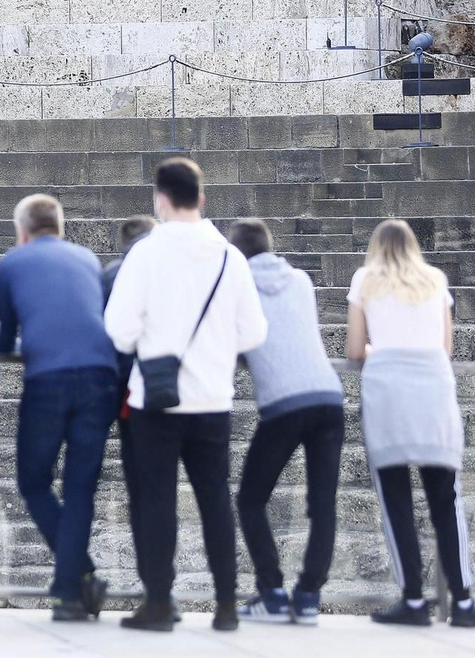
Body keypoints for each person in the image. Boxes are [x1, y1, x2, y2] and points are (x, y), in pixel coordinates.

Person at [104, 158, 266, 633]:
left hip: (155, 399)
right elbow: (253, 333)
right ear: (202, 198)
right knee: (215, 499)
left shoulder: (146, 254)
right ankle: (226, 604)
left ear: (160, 198)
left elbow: (119, 331)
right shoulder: (229, 257)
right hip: (213, 398)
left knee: (156, 500)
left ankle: (158, 602)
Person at [348, 219, 475, 628]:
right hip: (433, 390)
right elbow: (445, 346)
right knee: (446, 500)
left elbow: (353, 348)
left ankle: (413, 600)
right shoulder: (435, 279)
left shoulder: (365, 279)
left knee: (395, 500)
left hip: (387, 393)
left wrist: (383, 347)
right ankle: (464, 602)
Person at [0, 194, 120, 621]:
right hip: (100, 378)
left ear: (23, 230)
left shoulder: (14, 262)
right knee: (80, 488)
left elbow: (3, 333)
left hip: (48, 379)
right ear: (59, 226)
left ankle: (79, 577)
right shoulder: (87, 258)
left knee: (33, 482)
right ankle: (69, 588)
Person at [228, 219, 345, 626]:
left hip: (283, 403)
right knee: (322, 502)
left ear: (237, 255)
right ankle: (309, 596)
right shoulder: (300, 281)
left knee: (250, 499)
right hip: (328, 397)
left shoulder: (236, 288)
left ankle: (273, 592)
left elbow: (239, 344)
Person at [101, 214, 162, 617]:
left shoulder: (111, 274)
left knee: (143, 491)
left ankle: (155, 591)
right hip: (179, 387)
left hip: (125, 391)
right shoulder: (170, 269)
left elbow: (108, 330)